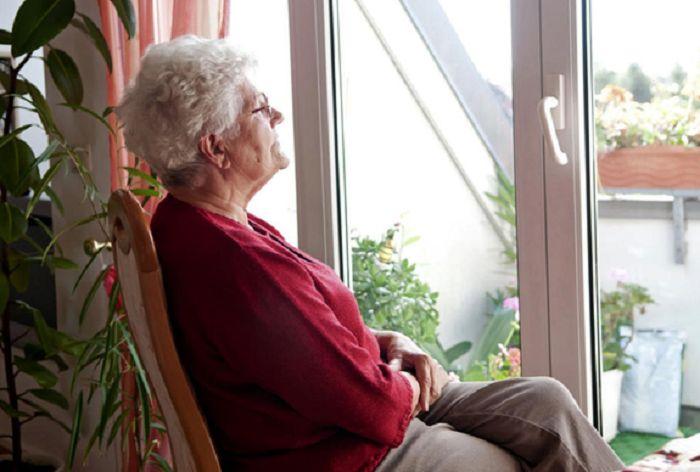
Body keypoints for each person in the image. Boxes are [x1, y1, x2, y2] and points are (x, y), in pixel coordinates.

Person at [117, 35, 625, 471]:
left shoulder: (189, 222)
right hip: (347, 452)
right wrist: (406, 378)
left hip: (360, 410)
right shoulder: (237, 264)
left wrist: (389, 344)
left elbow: (299, 348)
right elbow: (375, 408)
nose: (277, 116)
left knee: (546, 401)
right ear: (216, 148)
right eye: (260, 109)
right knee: (524, 460)